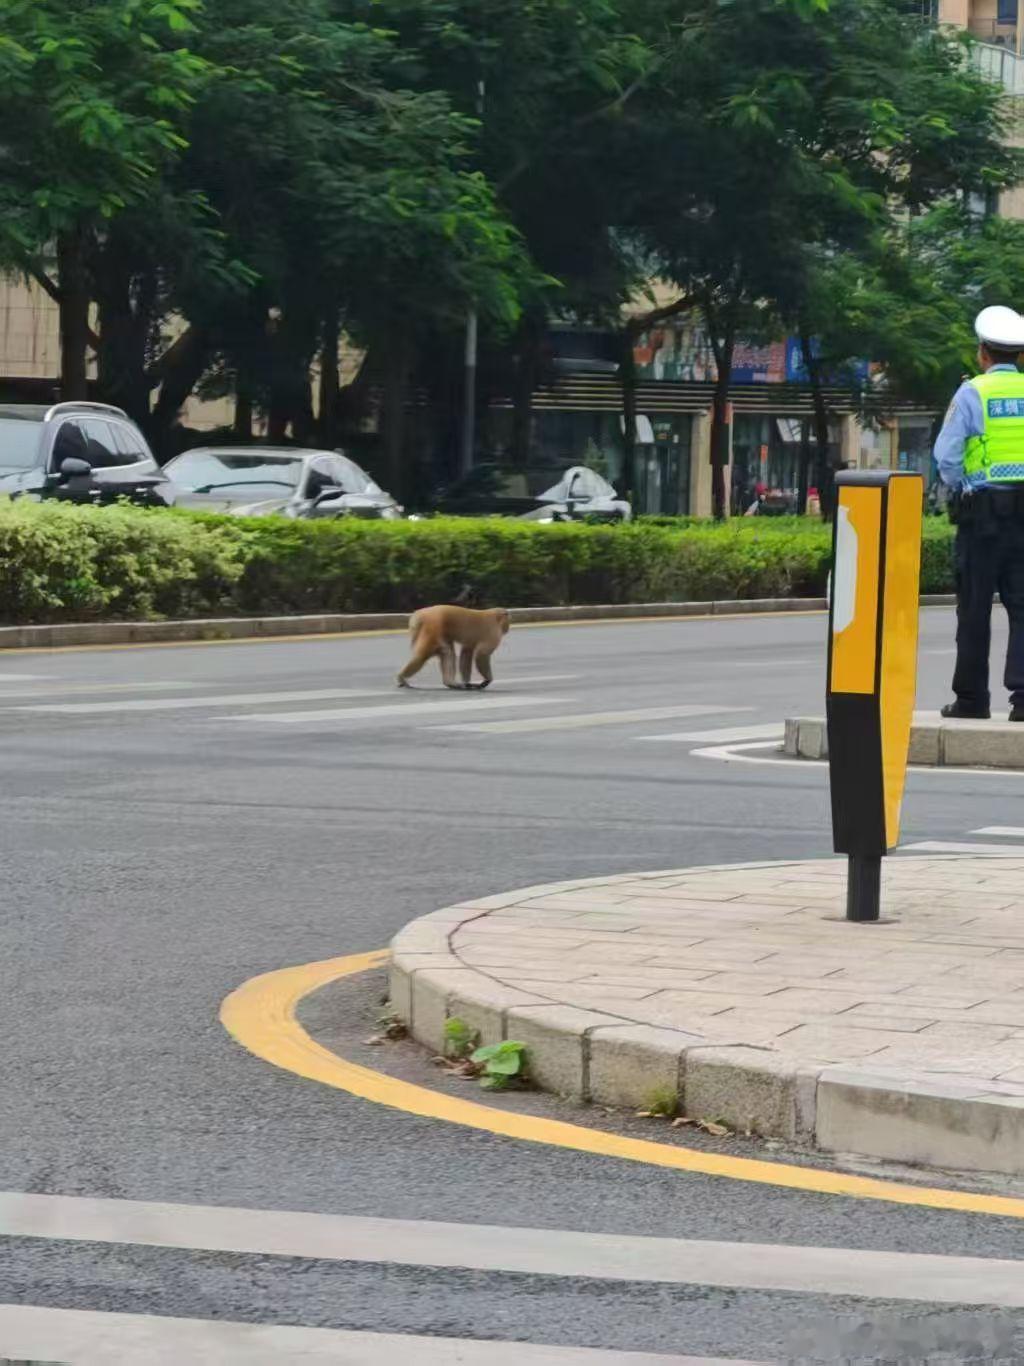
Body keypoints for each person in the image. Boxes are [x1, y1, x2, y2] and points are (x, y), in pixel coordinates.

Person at [934, 305, 1024, 720]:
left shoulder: (972, 392)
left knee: (974, 607)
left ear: (982, 353)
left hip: (983, 516)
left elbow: (946, 457)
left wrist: (963, 486)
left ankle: (971, 700)